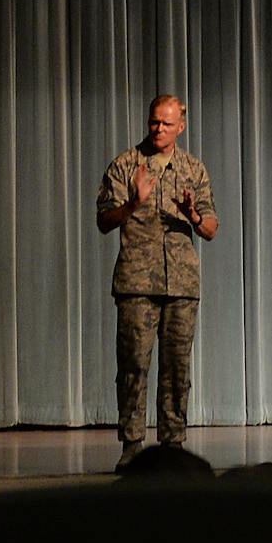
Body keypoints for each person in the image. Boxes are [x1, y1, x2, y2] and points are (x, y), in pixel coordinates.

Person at [96, 95, 219, 470]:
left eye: (166, 124)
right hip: (137, 281)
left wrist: (193, 216)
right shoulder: (125, 165)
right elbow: (103, 221)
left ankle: (173, 443)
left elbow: (212, 229)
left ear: (180, 127)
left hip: (181, 283)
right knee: (133, 365)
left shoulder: (193, 169)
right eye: (154, 122)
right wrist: (133, 203)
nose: (158, 130)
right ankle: (132, 443)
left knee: (176, 367)